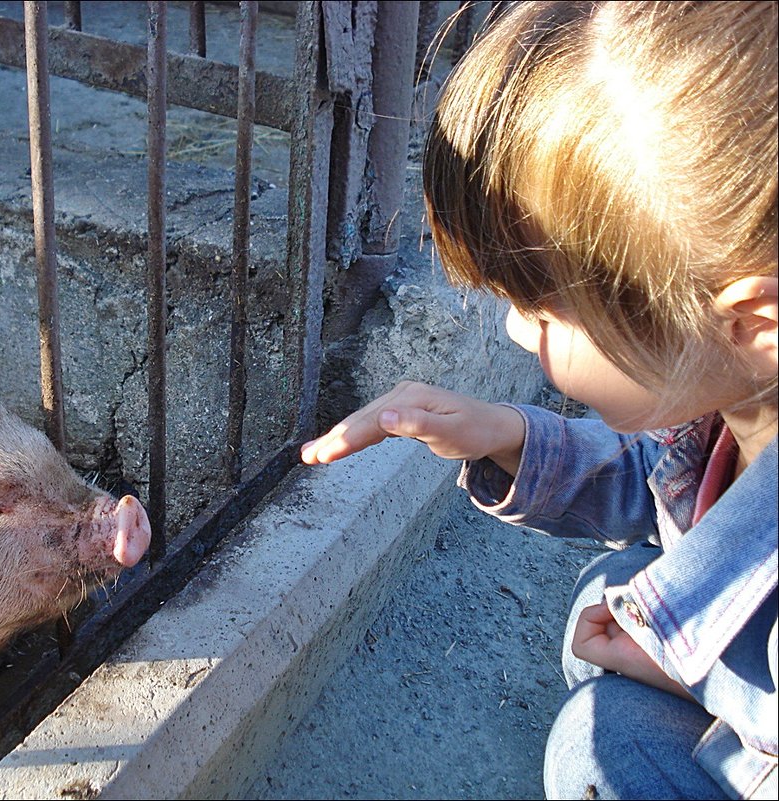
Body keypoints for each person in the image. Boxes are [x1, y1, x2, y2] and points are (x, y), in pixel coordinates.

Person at [301, 2, 777, 798]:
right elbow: (669, 468)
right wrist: (506, 435)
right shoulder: (741, 394)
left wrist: (703, 679)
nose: (521, 334)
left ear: (753, 322)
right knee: (610, 595)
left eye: (546, 309)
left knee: (594, 748)